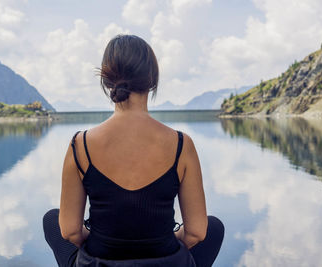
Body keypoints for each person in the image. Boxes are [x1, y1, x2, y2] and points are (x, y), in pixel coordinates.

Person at [43, 34, 224, 267]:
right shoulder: (181, 144)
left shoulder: (80, 144)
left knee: (52, 219)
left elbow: (70, 232)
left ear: (108, 81)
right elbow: (197, 233)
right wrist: (168, 240)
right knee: (214, 227)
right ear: (152, 80)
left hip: (100, 263)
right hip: (167, 263)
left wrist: (102, 242)